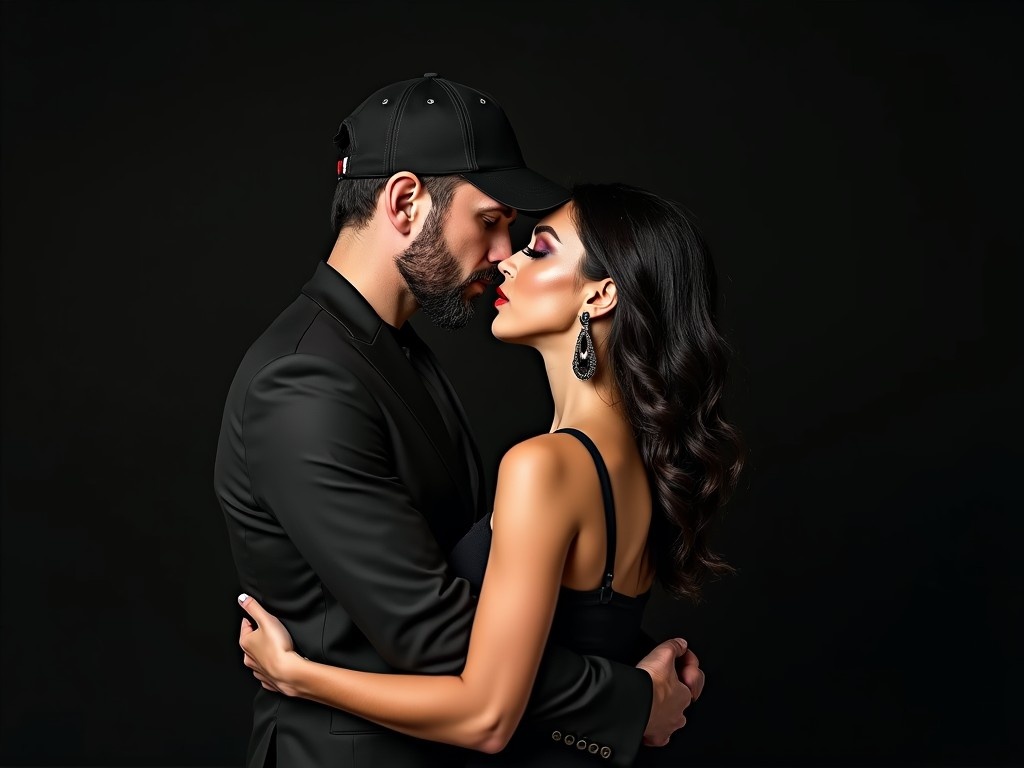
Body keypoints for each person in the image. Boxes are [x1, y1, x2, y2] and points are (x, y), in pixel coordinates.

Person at [214, 74, 700, 768]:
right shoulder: (304, 382)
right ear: (407, 201)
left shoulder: (396, 353)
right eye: (491, 219)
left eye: (521, 235)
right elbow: (443, 641)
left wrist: (624, 650)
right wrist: (627, 698)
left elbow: (515, 602)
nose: (503, 251)